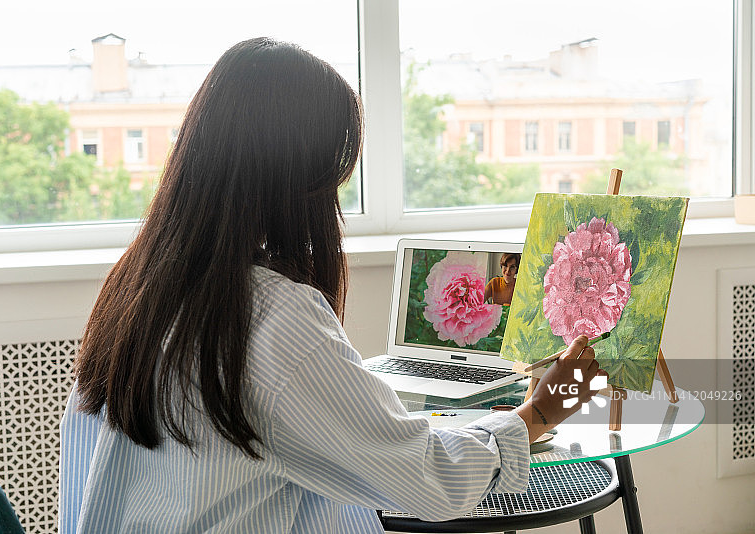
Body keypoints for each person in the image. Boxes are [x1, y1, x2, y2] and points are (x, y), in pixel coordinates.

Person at [59, 38, 605, 534]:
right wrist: (542, 409)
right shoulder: (273, 317)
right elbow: (434, 482)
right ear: (301, 175)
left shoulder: (140, 285)